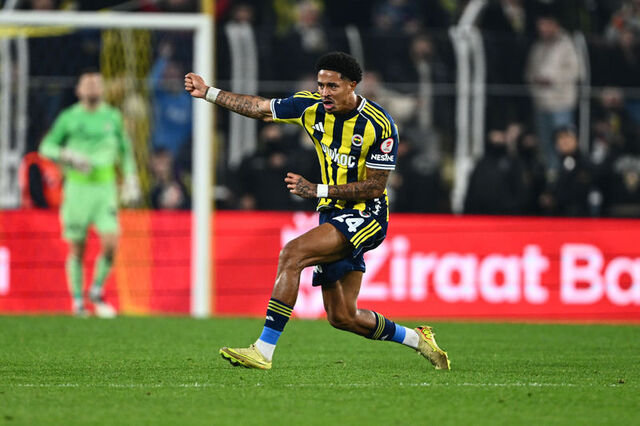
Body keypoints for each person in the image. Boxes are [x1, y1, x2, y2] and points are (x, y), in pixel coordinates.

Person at [185, 51, 450, 371]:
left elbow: (375, 187)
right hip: (332, 214)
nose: (324, 92)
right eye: (321, 85)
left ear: (352, 85)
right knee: (342, 316)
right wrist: (209, 92)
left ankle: (263, 350)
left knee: (292, 253)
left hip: (367, 213)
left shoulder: (379, 125)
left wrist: (317, 190)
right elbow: (259, 108)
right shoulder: (309, 106)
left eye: (332, 86)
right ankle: (417, 338)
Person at [39, 71, 140, 317]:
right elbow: (46, 146)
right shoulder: (69, 117)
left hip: (105, 188)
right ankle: (77, 301)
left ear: (103, 89)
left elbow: (125, 150)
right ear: (79, 90)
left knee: (111, 242)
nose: (93, 86)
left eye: (97, 83)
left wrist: (131, 178)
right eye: (88, 83)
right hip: (77, 188)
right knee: (77, 248)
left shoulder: (113, 117)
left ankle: (96, 289)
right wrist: (67, 155)